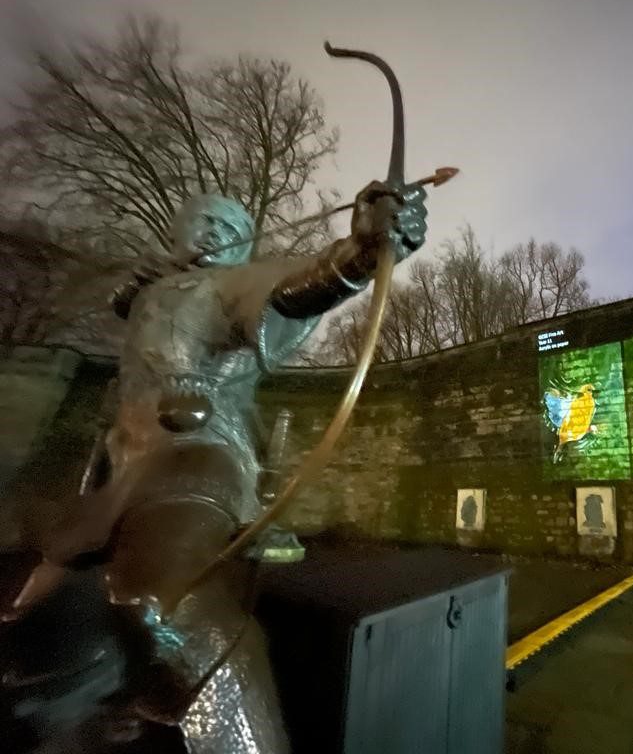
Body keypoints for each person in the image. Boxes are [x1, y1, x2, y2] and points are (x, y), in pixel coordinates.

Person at [1, 179, 427, 753]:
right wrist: (138, 290)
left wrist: (361, 253)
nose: (213, 238)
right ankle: (97, 706)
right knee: (45, 600)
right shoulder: (157, 289)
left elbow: (298, 288)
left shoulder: (232, 283)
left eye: (229, 232)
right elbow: (127, 305)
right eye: (202, 224)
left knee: (166, 603)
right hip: (123, 460)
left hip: (196, 455)